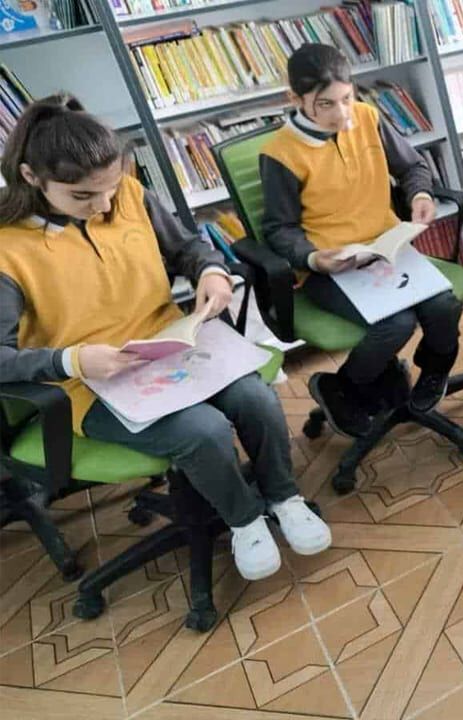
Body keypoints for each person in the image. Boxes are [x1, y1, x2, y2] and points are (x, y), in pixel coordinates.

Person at [0, 95, 330, 581]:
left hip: (172, 347)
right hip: (89, 384)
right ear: (31, 176)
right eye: (83, 197)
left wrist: (210, 270)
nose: (104, 205)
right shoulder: (8, 250)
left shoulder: (130, 196)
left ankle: (284, 498)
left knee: (256, 398)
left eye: (111, 188)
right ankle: (244, 520)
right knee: (203, 430)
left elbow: (188, 248)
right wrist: (72, 360)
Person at [260, 43, 460, 439]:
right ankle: (340, 387)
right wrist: (314, 259)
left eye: (346, 99)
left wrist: (420, 194)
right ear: (294, 99)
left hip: (388, 248)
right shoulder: (280, 154)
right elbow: (279, 230)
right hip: (332, 267)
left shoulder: (368, 117)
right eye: (326, 104)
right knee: (396, 324)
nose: (342, 114)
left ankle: (433, 369)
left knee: (444, 306)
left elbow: (412, 167)